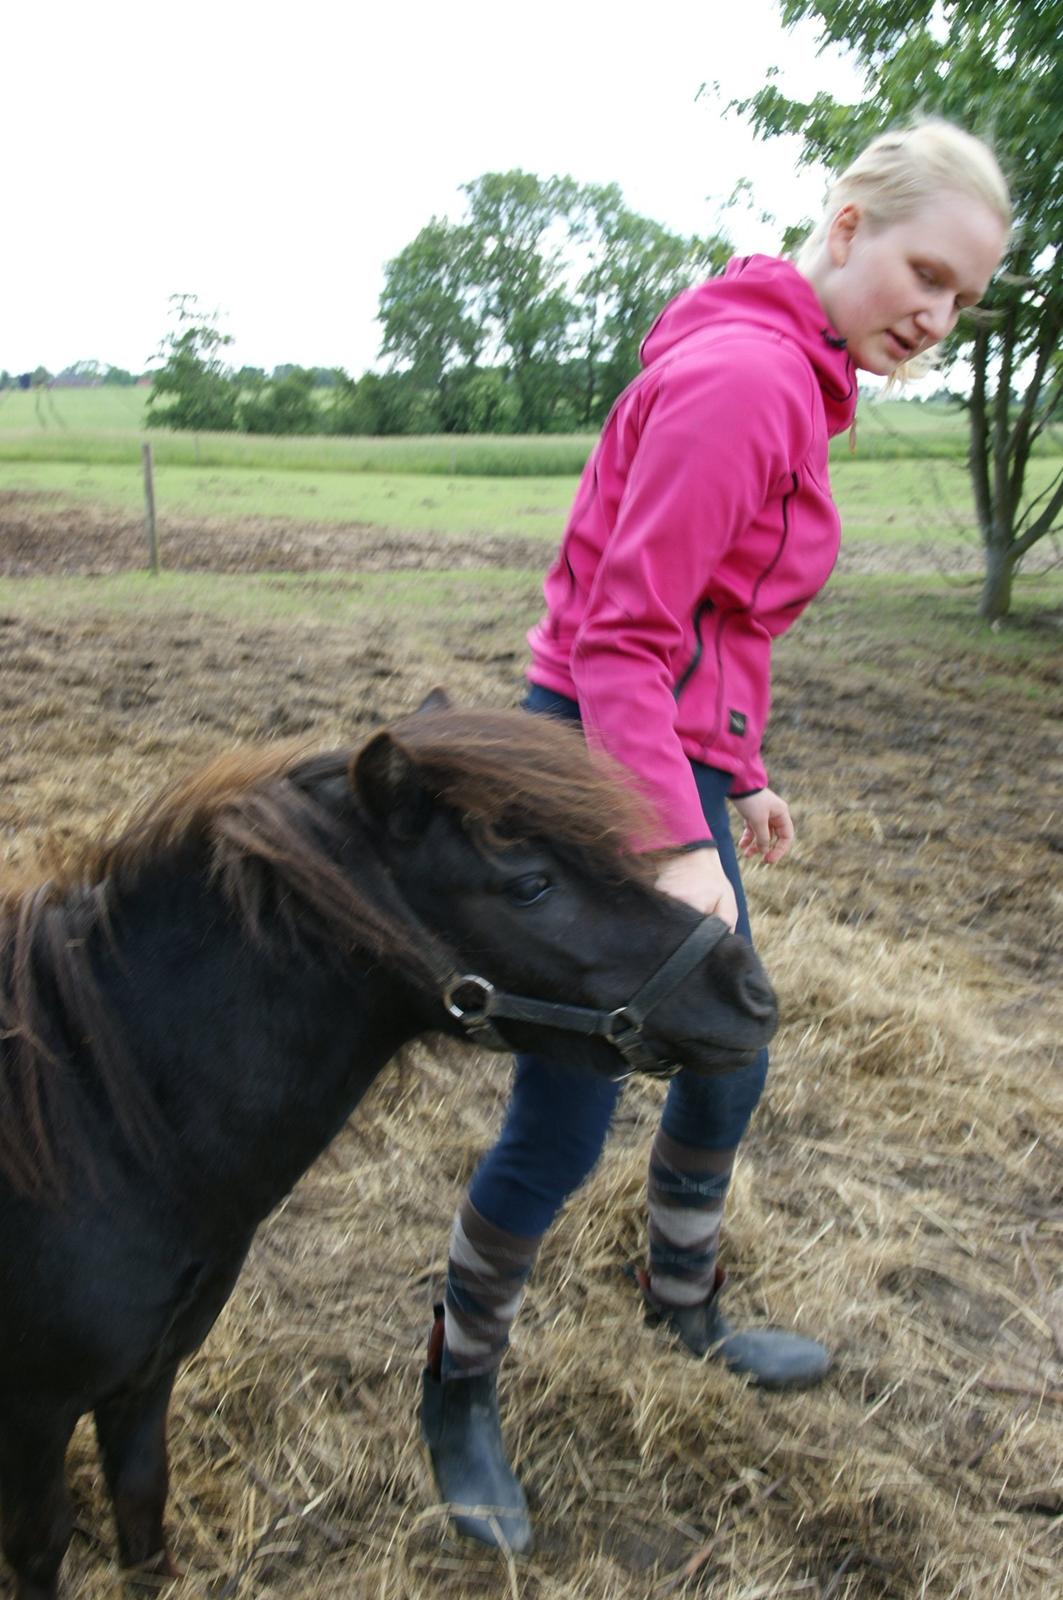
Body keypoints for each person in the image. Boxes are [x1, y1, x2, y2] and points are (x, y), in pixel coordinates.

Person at [421, 120, 1011, 1553]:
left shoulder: (800, 378)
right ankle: (456, 1386)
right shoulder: (750, 379)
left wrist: (734, 772)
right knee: (565, 1113)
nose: (934, 316)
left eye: (964, 300)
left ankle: (681, 1302)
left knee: (731, 1041)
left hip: (664, 752)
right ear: (847, 221)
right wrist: (675, 843)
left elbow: (712, 620)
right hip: (590, 759)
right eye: (922, 272)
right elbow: (624, 638)